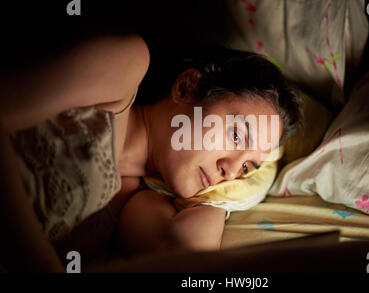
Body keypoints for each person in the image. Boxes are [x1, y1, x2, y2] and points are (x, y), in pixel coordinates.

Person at [0, 33, 302, 272]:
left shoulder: (139, 202)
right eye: (236, 135)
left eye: (247, 168)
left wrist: (222, 199)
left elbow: (181, 256)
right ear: (186, 87)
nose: (231, 171)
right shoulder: (127, 65)